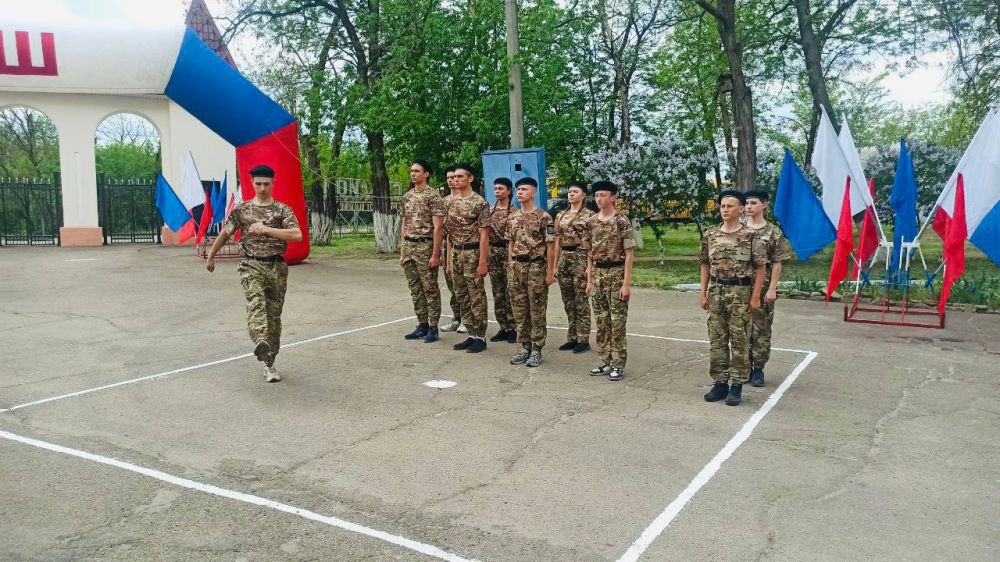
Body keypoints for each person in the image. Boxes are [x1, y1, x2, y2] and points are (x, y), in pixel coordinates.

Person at [206, 164, 303, 383]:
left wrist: (267, 229)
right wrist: (211, 256)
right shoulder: (242, 210)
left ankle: (269, 363)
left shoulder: (282, 210)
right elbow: (225, 233)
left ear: (273, 184)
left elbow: (297, 235)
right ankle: (260, 339)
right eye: (258, 184)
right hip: (251, 265)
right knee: (255, 302)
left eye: (266, 184)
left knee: (274, 318)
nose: (262, 188)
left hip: (277, 267)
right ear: (252, 183)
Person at [700, 190, 766, 406]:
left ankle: (736, 385)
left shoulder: (750, 235)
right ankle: (720, 382)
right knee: (717, 340)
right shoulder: (710, 234)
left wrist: (755, 296)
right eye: (722, 206)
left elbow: (760, 267)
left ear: (740, 209)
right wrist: (703, 292)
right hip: (717, 291)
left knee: (739, 340)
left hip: (740, 293)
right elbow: (705, 264)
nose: (725, 209)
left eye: (730, 206)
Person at [584, 181, 635, 382]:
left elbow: (629, 254)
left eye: (603, 195)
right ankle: (605, 360)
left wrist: (626, 283)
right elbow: (588, 252)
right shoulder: (591, 222)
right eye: (596, 195)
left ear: (613, 197)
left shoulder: (622, 221)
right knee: (602, 321)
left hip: (616, 273)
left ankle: (618, 363)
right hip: (597, 275)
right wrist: (589, 279)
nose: (599, 199)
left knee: (617, 322)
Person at [506, 177, 556, 367]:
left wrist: (550, 272)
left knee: (536, 309)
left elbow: (550, 246)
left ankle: (536, 349)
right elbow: (510, 242)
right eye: (518, 189)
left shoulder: (544, 217)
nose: (519, 192)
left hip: (536, 266)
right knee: (519, 309)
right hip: (517, 267)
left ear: (533, 192)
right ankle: (524, 346)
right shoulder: (513, 217)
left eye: (524, 189)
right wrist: (511, 264)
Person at [744, 190, 792, 387]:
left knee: (761, 328)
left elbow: (778, 262)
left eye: (753, 203)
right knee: (741, 327)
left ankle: (758, 369)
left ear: (764, 205)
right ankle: (743, 366)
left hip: (763, 288)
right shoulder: (738, 228)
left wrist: (772, 289)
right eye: (746, 203)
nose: (748, 207)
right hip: (740, 287)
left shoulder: (772, 232)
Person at [442, 163, 491, 353]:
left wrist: (483, 262)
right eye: (454, 177)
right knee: (461, 295)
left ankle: (480, 336)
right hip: (456, 252)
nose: (456, 180)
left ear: (470, 179)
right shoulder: (450, 203)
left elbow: (485, 235)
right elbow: (448, 234)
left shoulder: (480, 203)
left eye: (461, 177)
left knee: (476, 296)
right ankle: (471, 333)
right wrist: (448, 261)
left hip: (473, 253)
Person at [399, 159, 444, 343]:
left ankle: (433, 326)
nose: (413, 174)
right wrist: (402, 252)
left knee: (430, 288)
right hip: (409, 247)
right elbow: (404, 224)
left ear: (426, 174)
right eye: (411, 171)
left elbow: (438, 228)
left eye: (417, 171)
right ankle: (422, 324)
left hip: (425, 246)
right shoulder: (407, 197)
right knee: (415, 288)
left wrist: (435, 254)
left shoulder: (433, 196)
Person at [554, 181, 594, 353]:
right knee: (568, 300)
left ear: (583, 195)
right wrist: (555, 264)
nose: (571, 194)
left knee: (580, 300)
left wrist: (589, 266)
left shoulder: (590, 215)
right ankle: (572, 336)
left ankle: (583, 338)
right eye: (569, 191)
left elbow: (593, 242)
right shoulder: (560, 215)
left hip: (581, 257)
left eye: (575, 191)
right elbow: (557, 240)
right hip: (565, 257)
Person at [487, 177, 517, 343]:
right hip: (493, 252)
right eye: (495, 188)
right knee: (497, 291)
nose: (497, 191)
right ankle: (503, 327)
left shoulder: (514, 212)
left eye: (501, 188)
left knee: (509, 290)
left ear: (509, 191)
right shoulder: (489, 210)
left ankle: (513, 327)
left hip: (507, 251)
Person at [439, 166, 466, 334]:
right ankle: (457, 317)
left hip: (463, 247)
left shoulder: (467, 200)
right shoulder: (445, 201)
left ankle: (467, 319)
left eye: (454, 177)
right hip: (447, 246)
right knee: (452, 285)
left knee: (465, 286)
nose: (451, 180)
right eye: (448, 178)